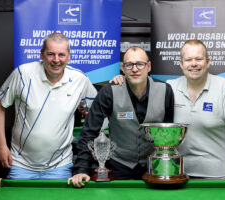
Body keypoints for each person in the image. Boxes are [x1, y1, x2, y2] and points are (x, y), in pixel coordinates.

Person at [111, 40, 225, 187]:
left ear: (208, 62)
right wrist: (123, 79)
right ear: (181, 63)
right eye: (188, 59)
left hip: (220, 177)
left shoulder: (224, 87)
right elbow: (140, 83)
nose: (194, 64)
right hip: (178, 176)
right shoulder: (169, 88)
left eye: (198, 59)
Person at [0, 33, 97, 180]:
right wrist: (1, 146)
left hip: (60, 166)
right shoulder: (22, 74)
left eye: (61, 55)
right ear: (41, 54)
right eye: (50, 54)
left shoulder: (80, 80)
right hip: (21, 165)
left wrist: (117, 83)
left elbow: (98, 109)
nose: (56, 60)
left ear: (69, 56)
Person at [68, 46, 174, 187]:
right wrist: (81, 169)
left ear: (148, 66)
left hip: (153, 167)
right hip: (118, 166)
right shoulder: (109, 92)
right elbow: (88, 132)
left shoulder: (165, 90)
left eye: (140, 64)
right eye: (129, 65)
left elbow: (169, 134)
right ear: (123, 68)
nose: (135, 69)